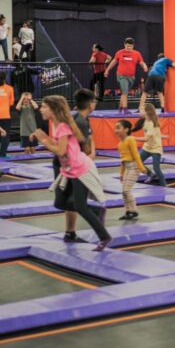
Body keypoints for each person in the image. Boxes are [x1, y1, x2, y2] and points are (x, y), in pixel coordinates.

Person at [34, 95, 112, 251]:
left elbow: (61, 151)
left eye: (44, 106)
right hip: (69, 170)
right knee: (61, 203)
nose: (41, 109)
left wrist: (43, 141)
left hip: (79, 169)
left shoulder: (62, 126)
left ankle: (104, 237)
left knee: (80, 207)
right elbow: (59, 145)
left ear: (54, 109)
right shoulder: (56, 124)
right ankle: (97, 210)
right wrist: (44, 138)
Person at [104, 38, 148, 113]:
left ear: (133, 46)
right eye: (127, 46)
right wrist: (107, 70)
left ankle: (120, 108)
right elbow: (113, 62)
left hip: (131, 77)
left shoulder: (137, 53)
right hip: (121, 76)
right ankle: (125, 109)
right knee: (124, 92)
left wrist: (144, 66)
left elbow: (141, 62)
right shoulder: (119, 53)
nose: (129, 48)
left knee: (125, 93)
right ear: (124, 44)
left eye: (130, 46)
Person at [114, 119, 147, 220]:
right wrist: (121, 173)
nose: (116, 130)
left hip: (134, 167)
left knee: (127, 190)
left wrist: (141, 168)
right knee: (124, 191)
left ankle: (134, 210)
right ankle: (128, 211)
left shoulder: (130, 139)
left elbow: (136, 155)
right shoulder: (120, 144)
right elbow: (123, 160)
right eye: (115, 128)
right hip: (127, 167)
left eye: (118, 127)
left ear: (126, 129)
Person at [132, 103, 167, 186]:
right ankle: (150, 174)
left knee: (156, 168)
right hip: (147, 147)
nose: (139, 111)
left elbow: (146, 139)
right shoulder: (144, 120)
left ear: (147, 112)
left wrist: (133, 138)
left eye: (141, 109)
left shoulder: (152, 123)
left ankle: (164, 186)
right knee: (137, 163)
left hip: (155, 148)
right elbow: (136, 129)